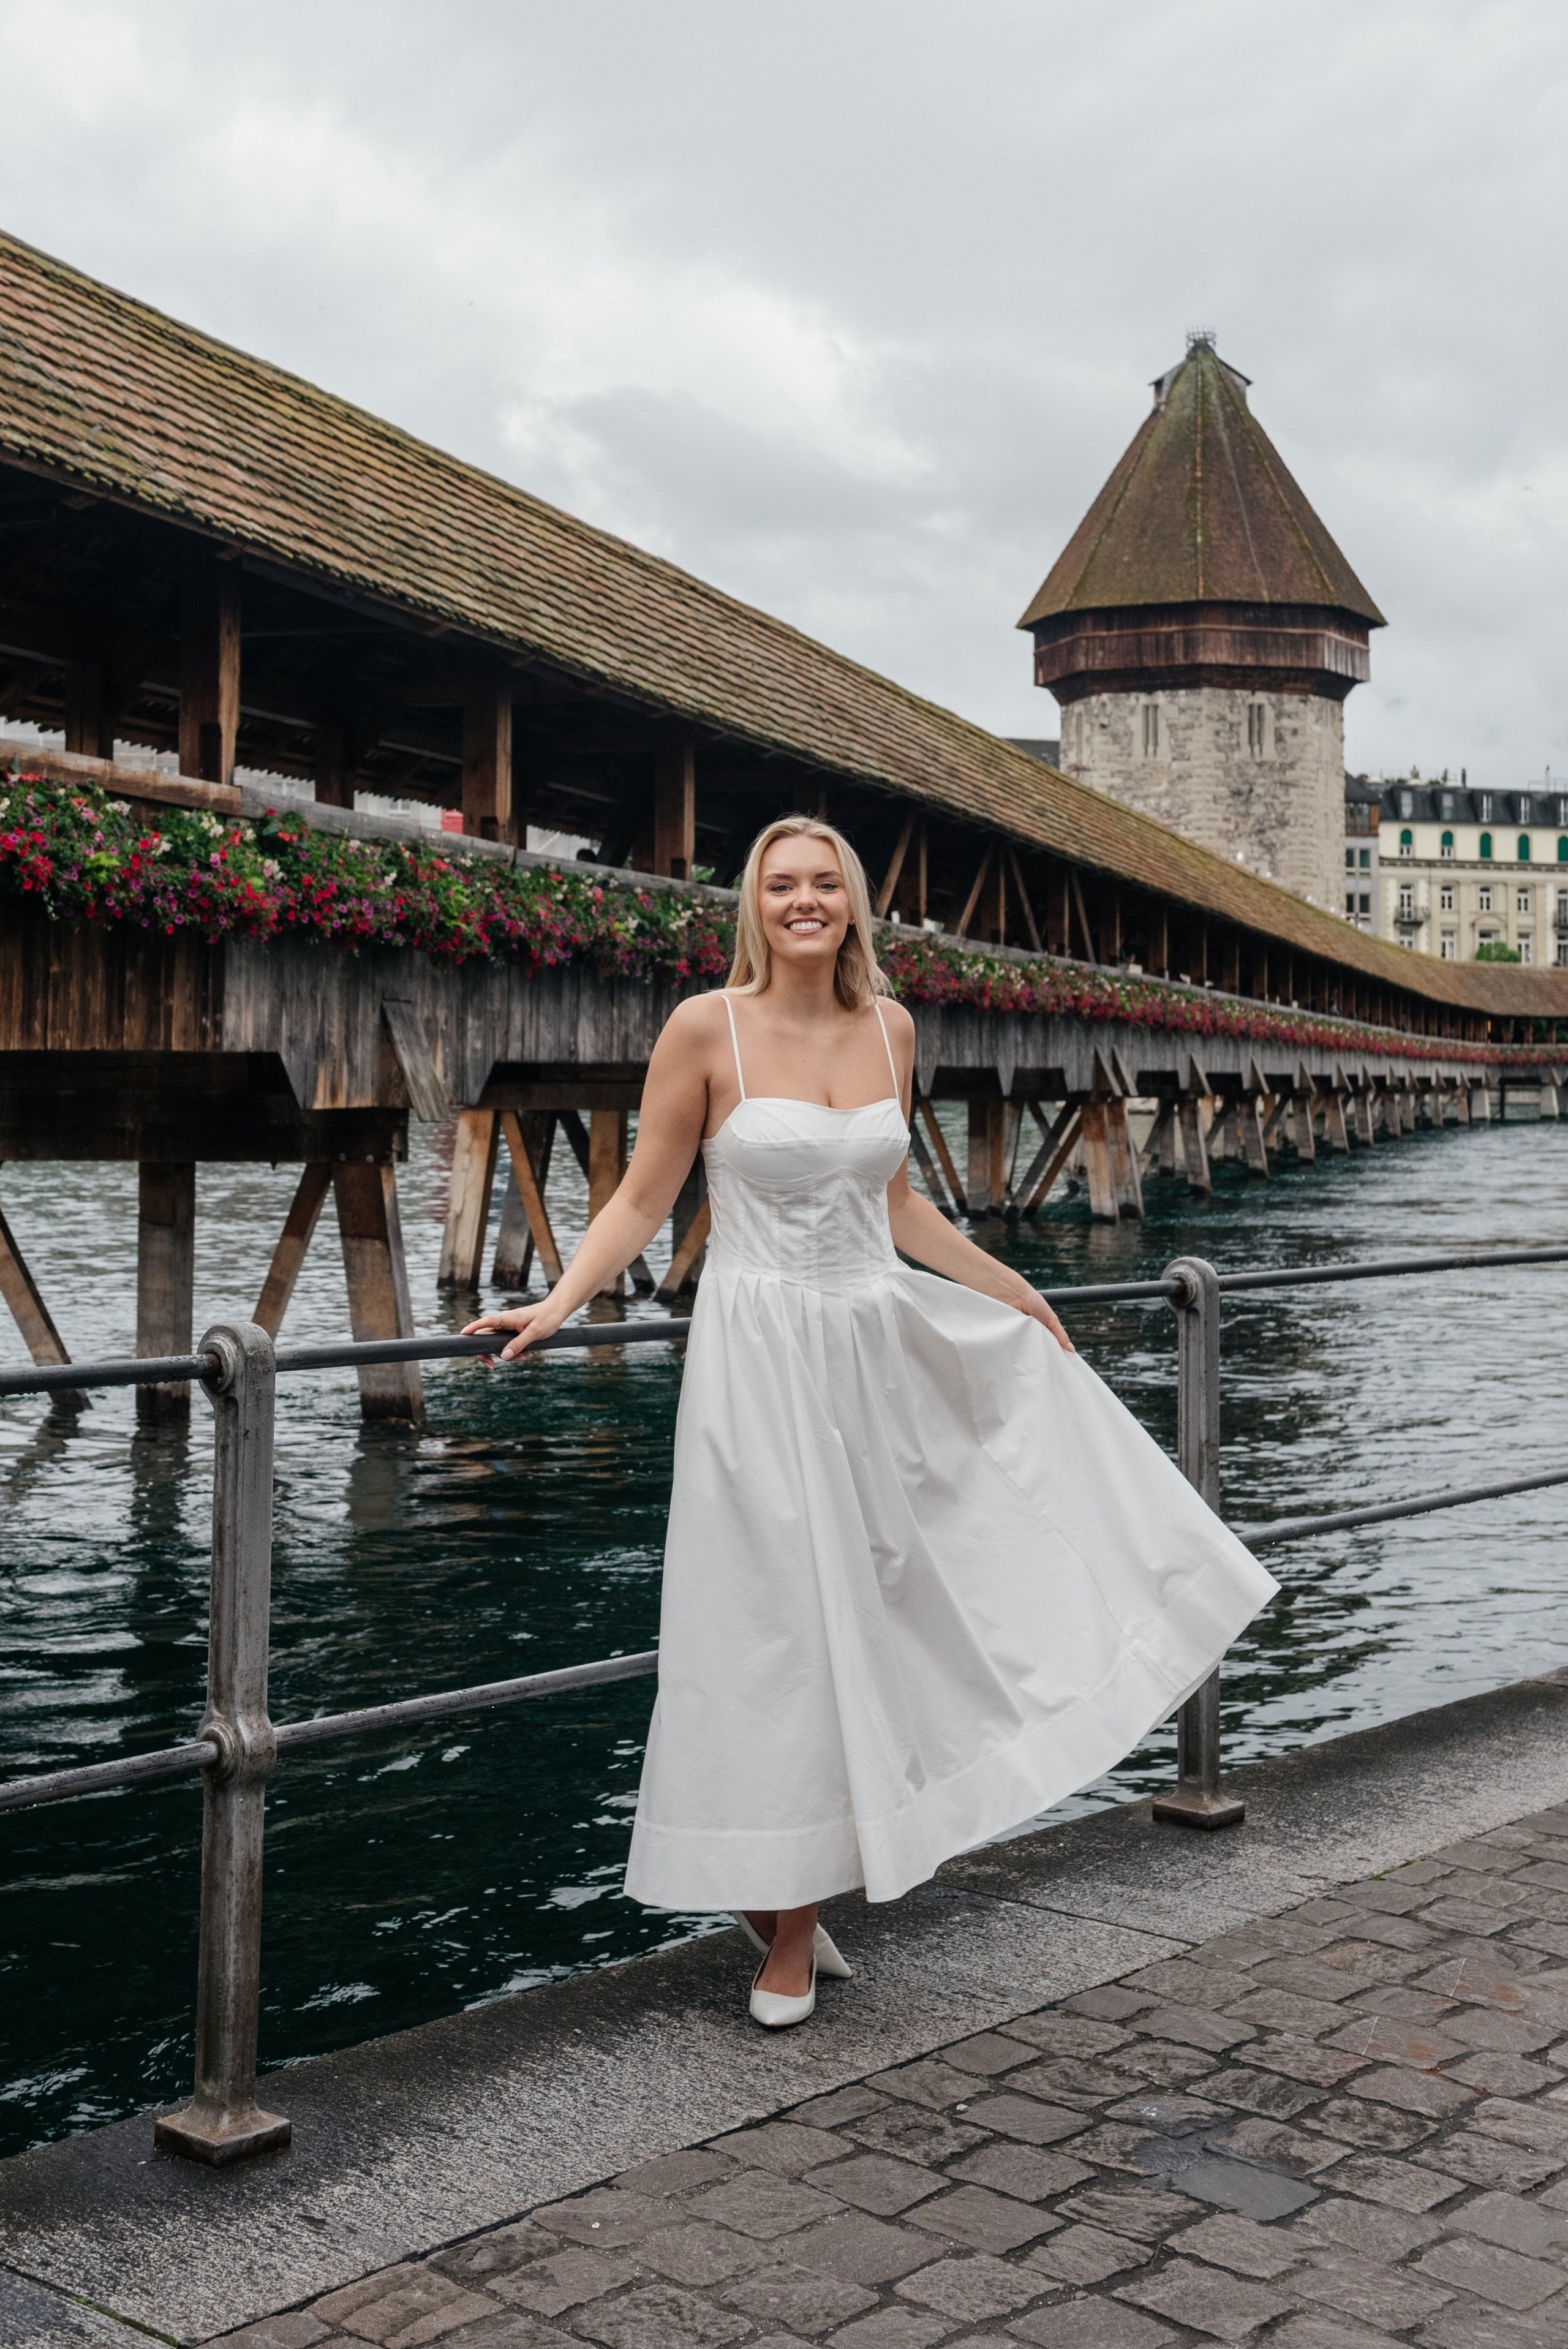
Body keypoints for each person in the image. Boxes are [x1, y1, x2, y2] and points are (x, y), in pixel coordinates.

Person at [465, 815, 1276, 2029]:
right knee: (779, 1624)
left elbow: (896, 1200)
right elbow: (643, 1192)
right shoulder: (706, 1026)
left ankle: (785, 1890)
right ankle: (786, 1926)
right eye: (781, 885)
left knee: (898, 1599)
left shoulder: (892, 1026)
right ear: (756, 903)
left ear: (850, 904)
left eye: (823, 885)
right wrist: (559, 1302)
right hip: (757, 1354)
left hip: (874, 1339)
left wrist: (1008, 1288)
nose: (804, 902)